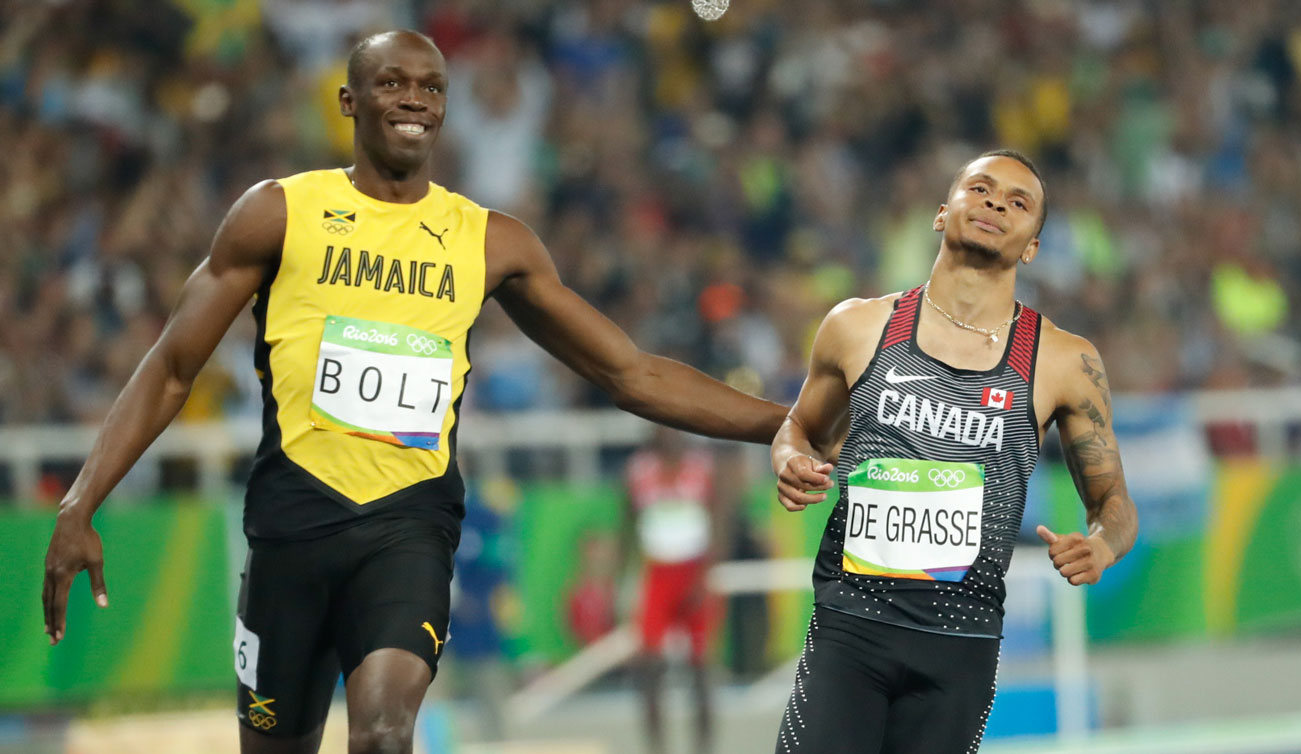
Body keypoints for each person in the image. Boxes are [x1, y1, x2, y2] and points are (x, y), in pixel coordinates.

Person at [40, 30, 787, 754]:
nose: (415, 100)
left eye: (432, 87)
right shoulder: (280, 213)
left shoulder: (491, 241)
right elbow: (172, 367)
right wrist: (82, 501)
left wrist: (784, 424)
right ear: (348, 100)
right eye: (392, 82)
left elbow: (630, 373)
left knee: (385, 733)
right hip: (290, 526)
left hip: (408, 530)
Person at [770, 150, 1138, 754]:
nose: (995, 203)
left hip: (960, 647)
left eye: (1018, 203)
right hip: (851, 629)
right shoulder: (857, 327)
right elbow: (797, 429)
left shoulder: (1063, 360)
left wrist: (1100, 545)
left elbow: (1114, 502)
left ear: (1032, 248)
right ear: (943, 214)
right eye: (981, 189)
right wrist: (789, 459)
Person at [622, 425, 726, 754]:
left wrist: (706, 572)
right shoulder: (638, 470)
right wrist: (624, 578)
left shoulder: (701, 467)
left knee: (700, 667)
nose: (666, 434)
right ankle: (656, 747)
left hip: (694, 570)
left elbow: (719, 520)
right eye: (659, 427)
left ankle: (704, 746)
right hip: (657, 572)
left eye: (672, 428)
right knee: (649, 666)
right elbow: (627, 522)